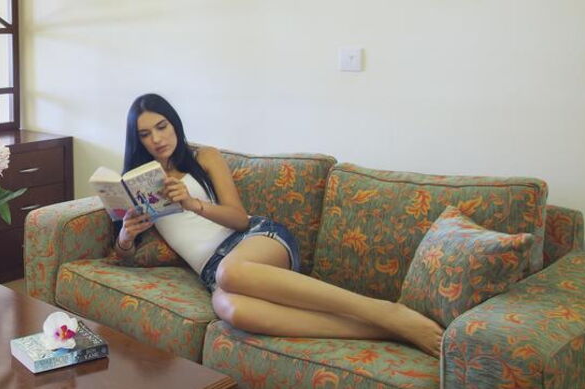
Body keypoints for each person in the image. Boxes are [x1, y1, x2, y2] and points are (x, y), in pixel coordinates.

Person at [114, 94, 443, 356]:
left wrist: (193, 204)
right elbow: (125, 256)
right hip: (213, 271)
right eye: (145, 134)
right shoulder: (139, 184)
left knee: (230, 272)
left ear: (174, 124)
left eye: (162, 126)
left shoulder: (204, 157)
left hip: (253, 239)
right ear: (138, 140)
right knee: (233, 310)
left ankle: (384, 311)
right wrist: (127, 236)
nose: (157, 138)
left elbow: (238, 218)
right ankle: (382, 330)